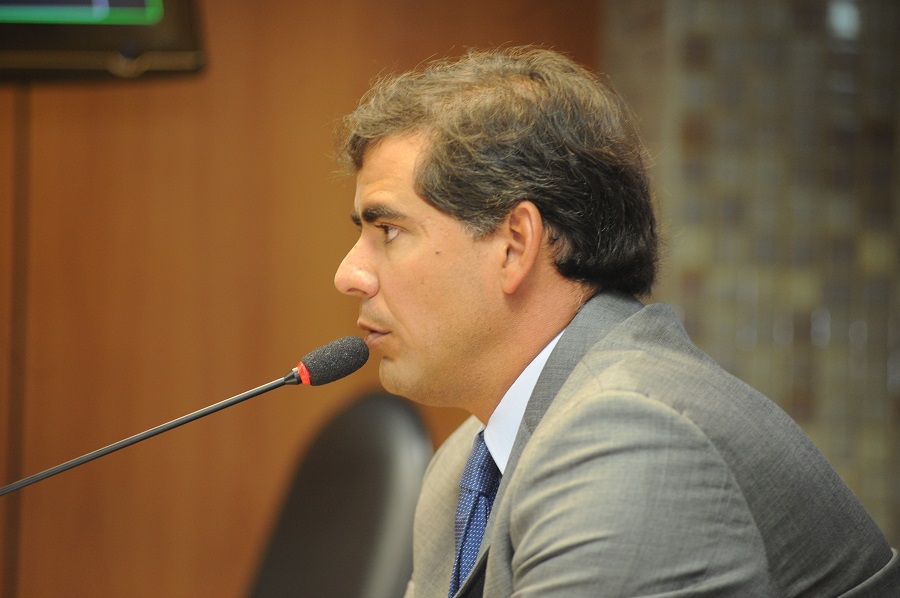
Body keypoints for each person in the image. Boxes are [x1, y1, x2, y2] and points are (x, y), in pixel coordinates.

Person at [332, 47, 898, 597]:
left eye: (389, 231)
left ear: (514, 245)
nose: (348, 274)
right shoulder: (464, 467)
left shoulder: (628, 438)